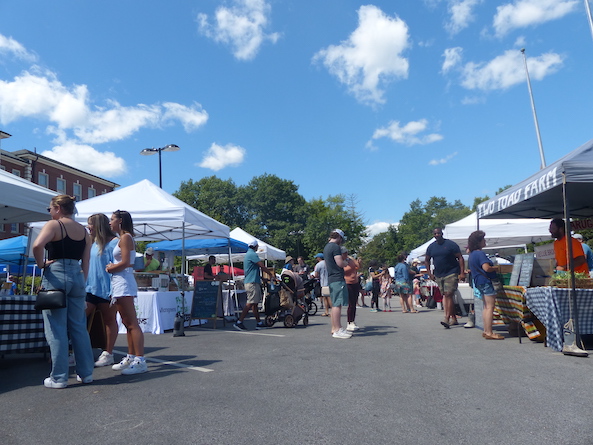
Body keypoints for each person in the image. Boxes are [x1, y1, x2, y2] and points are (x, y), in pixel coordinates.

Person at [32, 195, 94, 388]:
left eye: (50, 209)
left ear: (58, 208)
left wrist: (41, 264)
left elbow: (37, 245)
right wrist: (81, 283)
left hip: (57, 274)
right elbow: (86, 261)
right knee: (78, 327)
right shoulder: (84, 232)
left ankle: (59, 377)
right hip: (77, 275)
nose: (49, 212)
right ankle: (86, 373)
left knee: (56, 328)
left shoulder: (54, 225)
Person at [106, 210, 147, 375]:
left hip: (123, 282)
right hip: (119, 282)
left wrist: (110, 268)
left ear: (120, 221)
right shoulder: (123, 238)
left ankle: (140, 360)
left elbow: (126, 262)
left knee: (132, 323)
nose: (110, 223)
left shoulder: (125, 237)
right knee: (126, 322)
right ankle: (131, 356)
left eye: (112, 219)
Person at [84, 213, 120, 367]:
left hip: (108, 290)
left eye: (90, 224)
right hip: (89, 289)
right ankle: (79, 351)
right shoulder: (91, 244)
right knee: (78, 318)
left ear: (98, 225)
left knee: (109, 320)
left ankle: (108, 353)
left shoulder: (114, 243)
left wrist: (114, 290)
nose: (88, 227)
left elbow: (120, 266)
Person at [425, 227, 465, 328]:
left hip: (451, 272)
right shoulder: (431, 247)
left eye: (438, 233)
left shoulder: (451, 245)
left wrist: (462, 272)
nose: (436, 235)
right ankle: (454, 318)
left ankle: (446, 318)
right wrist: (429, 273)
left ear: (442, 233)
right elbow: (426, 260)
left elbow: (460, 257)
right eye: (435, 234)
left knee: (448, 294)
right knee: (445, 295)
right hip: (439, 274)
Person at [468, 230, 504, 340]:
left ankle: (486, 330)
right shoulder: (480, 254)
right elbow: (486, 268)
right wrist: (497, 268)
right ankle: (489, 332)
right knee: (490, 307)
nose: (485, 241)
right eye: (483, 239)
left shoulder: (472, 255)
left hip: (478, 281)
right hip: (486, 281)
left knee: (485, 306)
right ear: (478, 242)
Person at [234, 240, 275, 331]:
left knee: (255, 303)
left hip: (252, 280)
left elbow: (253, 270)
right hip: (252, 283)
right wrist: (271, 274)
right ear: (255, 246)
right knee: (250, 302)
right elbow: (262, 266)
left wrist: (262, 278)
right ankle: (239, 322)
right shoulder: (252, 254)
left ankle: (258, 323)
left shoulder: (249, 254)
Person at [323, 229, 351, 339]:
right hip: (337, 278)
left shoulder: (326, 247)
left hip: (331, 278)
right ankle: (338, 329)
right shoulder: (335, 247)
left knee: (335, 304)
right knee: (337, 304)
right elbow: (339, 263)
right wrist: (346, 262)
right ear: (339, 237)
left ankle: (334, 328)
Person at [342, 247, 361, 331]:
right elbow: (344, 271)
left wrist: (355, 260)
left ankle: (352, 321)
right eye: (344, 253)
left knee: (354, 302)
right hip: (347, 282)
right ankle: (349, 322)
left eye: (347, 252)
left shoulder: (350, 259)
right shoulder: (341, 262)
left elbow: (357, 266)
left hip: (355, 282)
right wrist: (350, 265)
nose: (346, 254)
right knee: (351, 302)